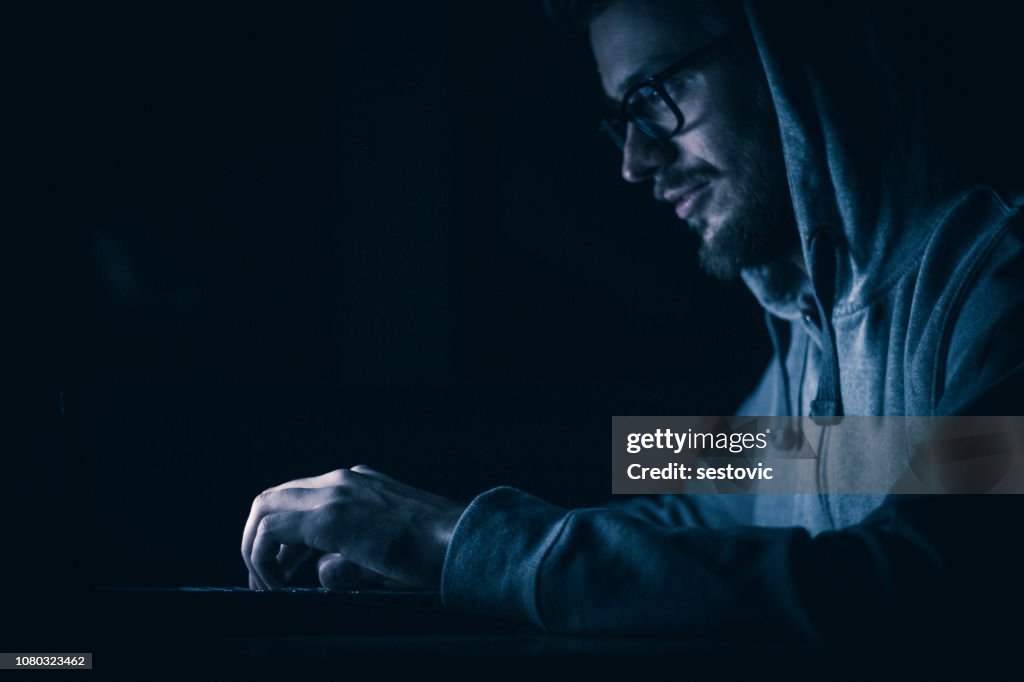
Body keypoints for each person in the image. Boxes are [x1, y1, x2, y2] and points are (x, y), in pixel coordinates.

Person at [241, 0, 1024, 638]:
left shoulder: (994, 284)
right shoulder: (807, 320)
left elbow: (917, 582)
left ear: (789, 49)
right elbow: (705, 492)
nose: (634, 162)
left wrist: (449, 539)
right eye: (622, 117)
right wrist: (436, 558)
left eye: (654, 95)